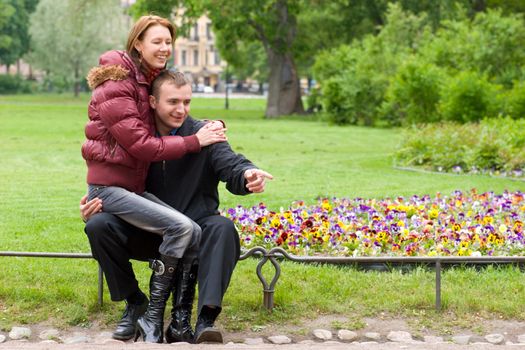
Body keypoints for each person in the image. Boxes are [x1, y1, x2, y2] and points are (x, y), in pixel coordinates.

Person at [81, 69, 273, 344]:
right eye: (173, 102)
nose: (181, 109)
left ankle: (204, 319)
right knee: (99, 225)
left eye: (186, 102)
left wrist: (247, 175)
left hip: (197, 231)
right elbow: (112, 175)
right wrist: (94, 202)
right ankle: (135, 304)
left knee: (222, 227)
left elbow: (231, 163)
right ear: (152, 102)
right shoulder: (138, 139)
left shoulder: (204, 133)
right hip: (148, 234)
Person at [81, 15, 226, 343]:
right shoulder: (117, 83)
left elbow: (174, 104)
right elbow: (139, 144)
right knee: (182, 227)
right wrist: (194, 142)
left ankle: (176, 318)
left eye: (168, 42)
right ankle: (144, 310)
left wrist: (209, 126)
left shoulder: (147, 80)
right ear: (137, 44)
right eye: (156, 41)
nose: (164, 48)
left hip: (130, 187)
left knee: (196, 230)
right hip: (110, 188)